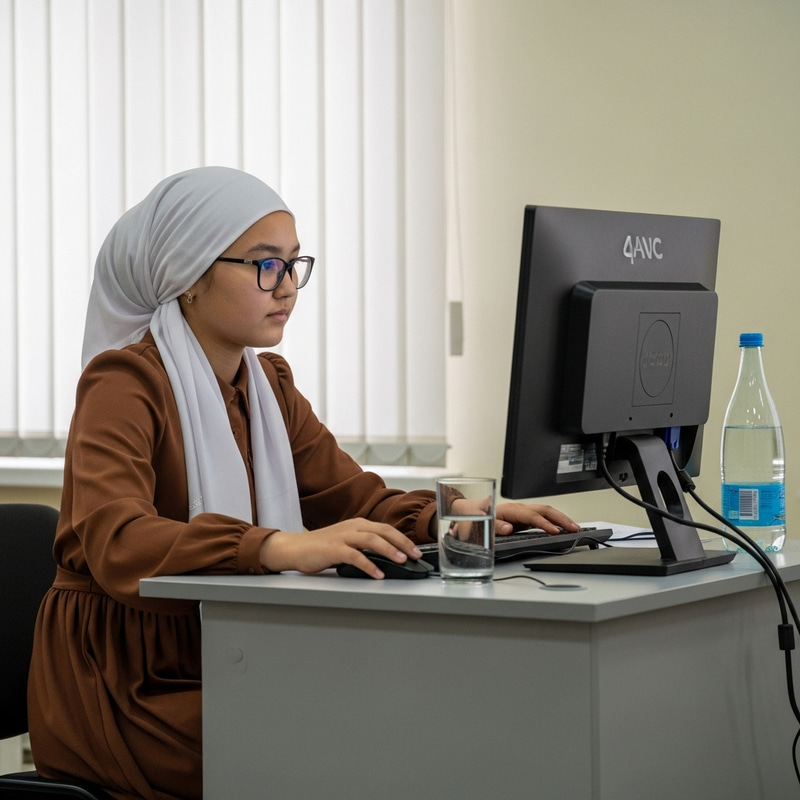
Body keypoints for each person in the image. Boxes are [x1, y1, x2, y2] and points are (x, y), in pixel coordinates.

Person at [27, 166, 577, 800]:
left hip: (227, 653)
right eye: (266, 265)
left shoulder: (270, 388)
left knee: (401, 715)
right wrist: (274, 547)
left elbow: (357, 499)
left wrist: (457, 514)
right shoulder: (123, 382)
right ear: (191, 276)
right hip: (125, 684)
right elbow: (116, 538)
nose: (287, 286)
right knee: (348, 740)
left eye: (294, 265)